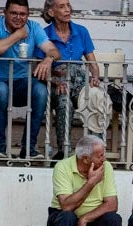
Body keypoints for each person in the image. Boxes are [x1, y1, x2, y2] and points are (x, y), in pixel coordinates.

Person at [0, 0, 62, 159]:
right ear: (5, 12)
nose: (18, 17)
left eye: (23, 14)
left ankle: (28, 148)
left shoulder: (34, 27)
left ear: (28, 15)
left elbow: (54, 51)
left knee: (41, 90)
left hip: (20, 83)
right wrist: (18, 35)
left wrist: (48, 59)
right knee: (1, 89)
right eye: (14, 13)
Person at [40, 0, 101, 159]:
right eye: (62, 6)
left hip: (80, 83)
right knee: (64, 102)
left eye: (68, 5)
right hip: (58, 84)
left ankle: (97, 152)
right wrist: (55, 81)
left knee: (95, 99)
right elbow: (38, 68)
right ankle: (64, 152)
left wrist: (95, 78)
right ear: (51, 12)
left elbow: (92, 62)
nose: (68, 10)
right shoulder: (44, 34)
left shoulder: (81, 31)